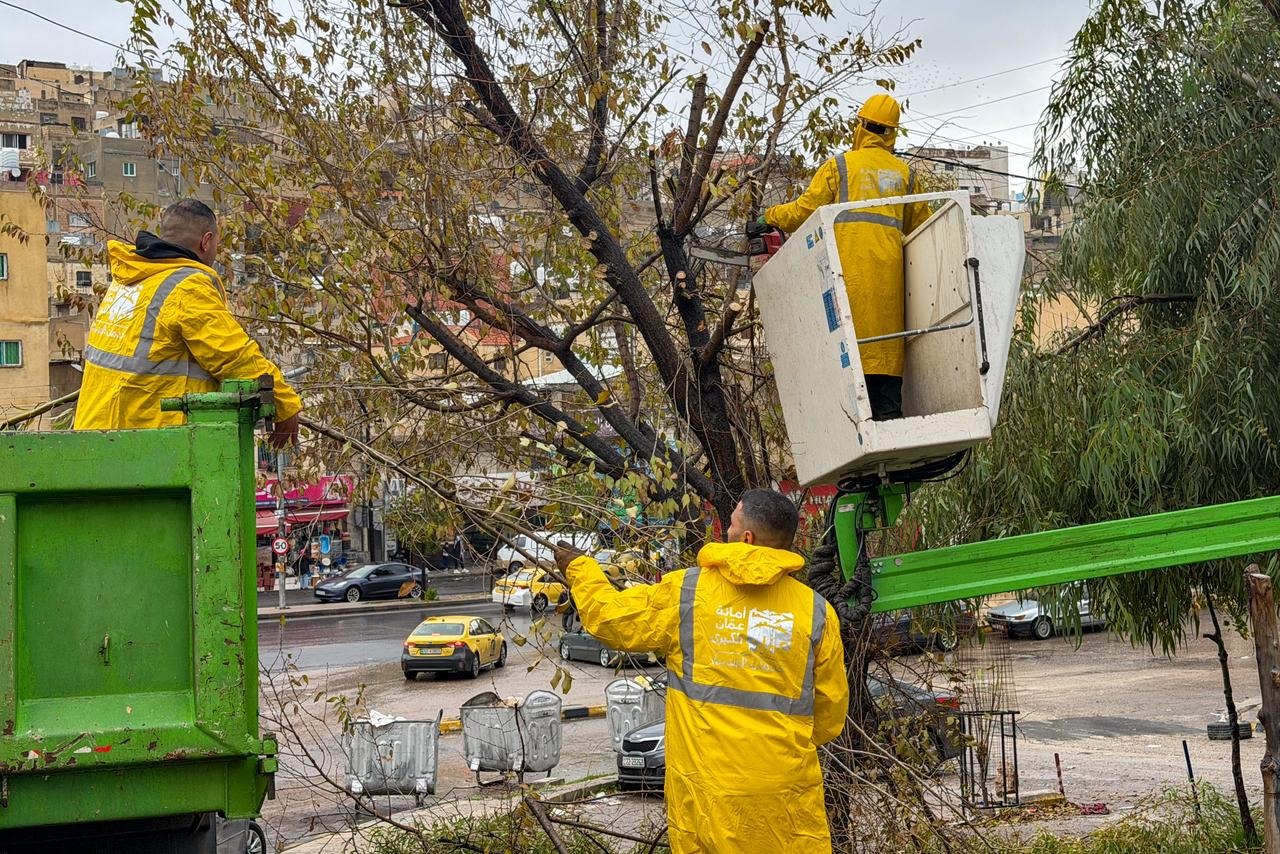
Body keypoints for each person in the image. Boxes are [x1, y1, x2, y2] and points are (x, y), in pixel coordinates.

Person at [556, 489, 848, 853]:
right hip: (783, 793)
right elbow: (830, 714)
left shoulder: (689, 592)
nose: (725, 529)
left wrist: (580, 569)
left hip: (705, 793)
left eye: (731, 522)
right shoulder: (815, 612)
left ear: (746, 538)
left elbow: (608, 618)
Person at [75, 199, 301, 446]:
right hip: (147, 444)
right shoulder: (188, 286)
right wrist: (284, 402)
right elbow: (234, 355)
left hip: (97, 437)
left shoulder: (130, 279)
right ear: (206, 241)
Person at [762, 93, 932, 421]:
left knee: (847, 407)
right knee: (886, 404)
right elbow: (926, 229)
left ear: (860, 126)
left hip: (844, 293)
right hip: (889, 302)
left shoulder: (839, 167)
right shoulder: (904, 175)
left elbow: (802, 212)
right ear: (891, 134)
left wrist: (769, 216)